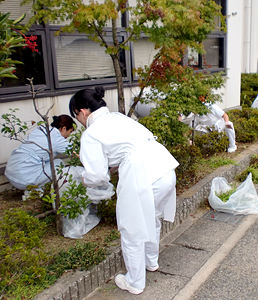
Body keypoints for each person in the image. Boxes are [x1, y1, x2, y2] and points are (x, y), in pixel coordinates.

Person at [69, 87, 179, 295]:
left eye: (77, 118)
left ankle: (135, 282)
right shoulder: (118, 118)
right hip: (164, 166)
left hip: (142, 174)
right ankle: (151, 262)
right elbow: (126, 148)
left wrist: (83, 178)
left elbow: (98, 176)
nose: (79, 123)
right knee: (152, 218)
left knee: (132, 228)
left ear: (81, 112)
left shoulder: (91, 134)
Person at [4, 115, 75, 190]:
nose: (68, 136)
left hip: (10, 173)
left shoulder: (40, 129)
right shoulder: (57, 139)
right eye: (70, 132)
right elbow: (78, 153)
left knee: (47, 160)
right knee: (59, 163)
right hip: (24, 180)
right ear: (63, 129)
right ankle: (36, 191)